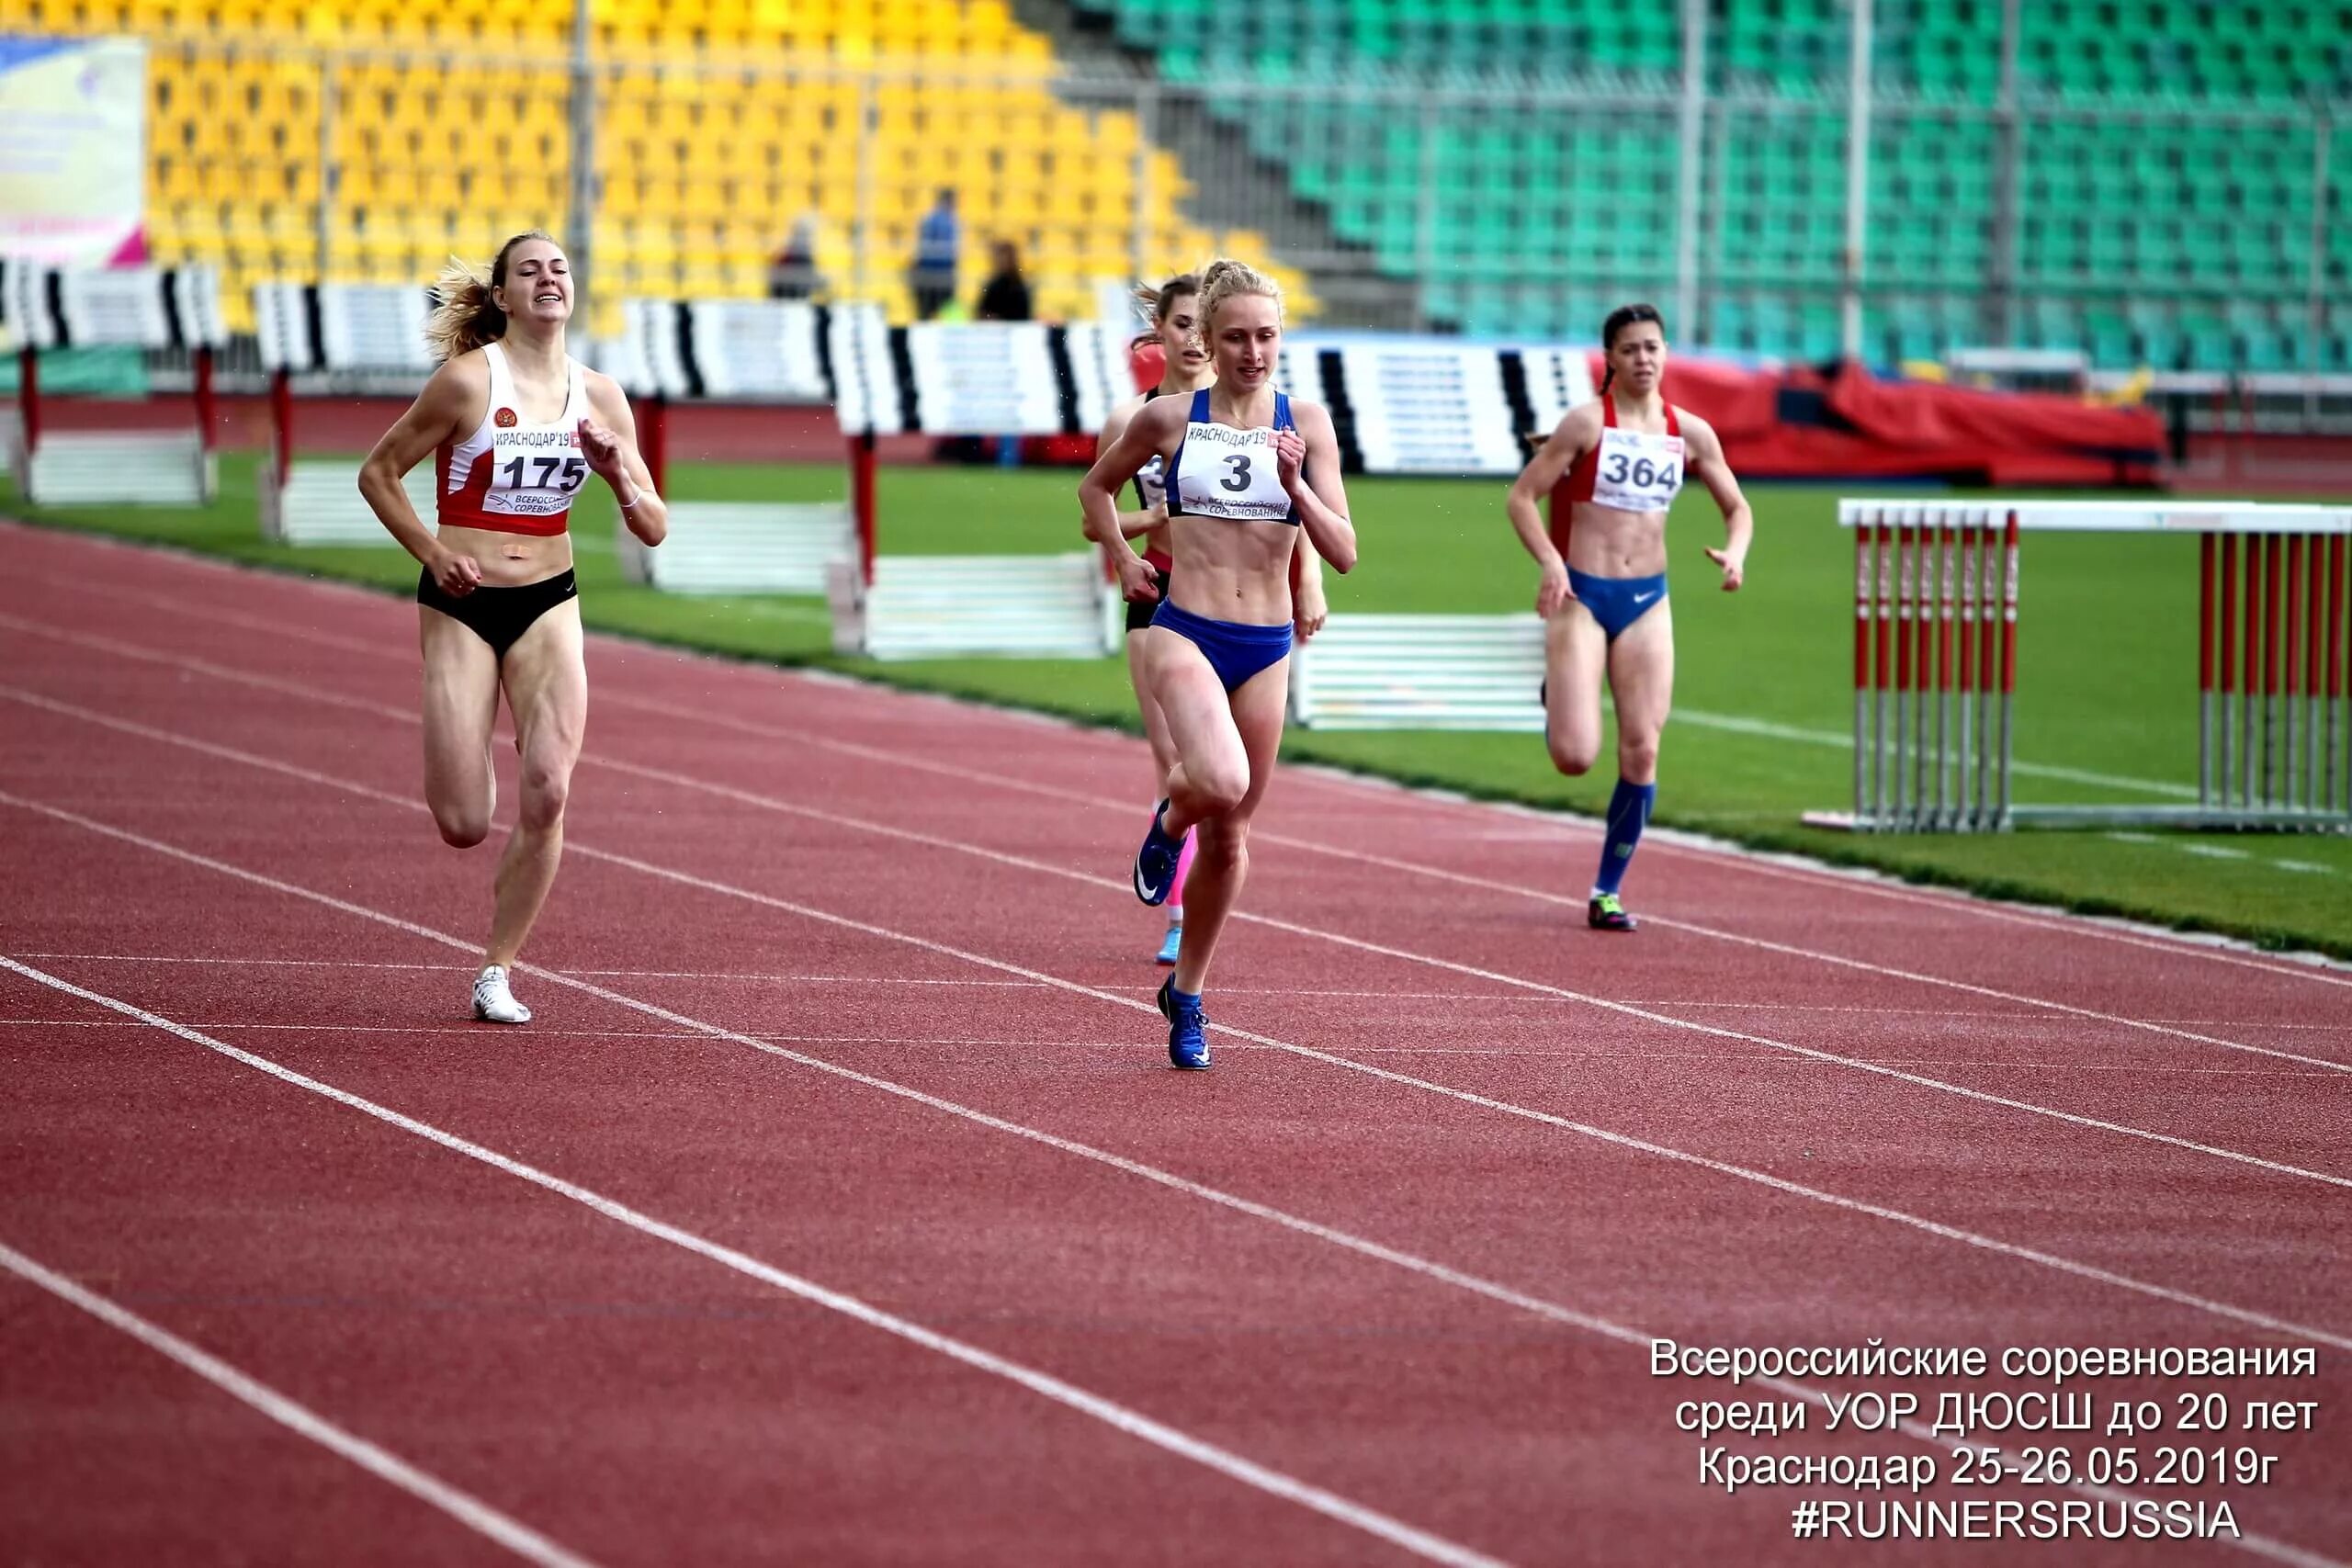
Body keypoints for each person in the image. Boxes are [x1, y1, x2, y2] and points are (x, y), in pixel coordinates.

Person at [356, 231, 668, 1022]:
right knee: (464, 821)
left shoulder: (601, 396)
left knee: (551, 788)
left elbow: (656, 526)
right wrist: (431, 551)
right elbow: (379, 472)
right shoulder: (464, 384)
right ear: (502, 298)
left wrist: (614, 473)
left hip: (549, 600)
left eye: (559, 268)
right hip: (463, 603)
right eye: (529, 270)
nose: (548, 279)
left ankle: (497, 968)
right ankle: (471, 744)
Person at [1079, 258, 1353, 1069]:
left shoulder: (1306, 421)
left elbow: (1344, 551)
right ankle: (1168, 822)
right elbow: (1095, 492)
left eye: (1267, 335)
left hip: (1266, 646)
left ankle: (1188, 995)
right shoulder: (1169, 419)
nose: (1253, 351)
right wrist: (1129, 563)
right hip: (1185, 627)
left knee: (1232, 839)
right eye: (1236, 336)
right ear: (1207, 338)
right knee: (1220, 782)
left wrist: (1297, 485)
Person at [1503, 302, 1750, 932]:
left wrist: (1736, 552)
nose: (1644, 358)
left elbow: (1738, 508)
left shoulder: (1689, 432)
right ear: (1611, 358)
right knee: (1575, 756)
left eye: (1653, 347)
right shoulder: (1586, 424)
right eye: (1632, 348)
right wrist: (1552, 563)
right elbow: (1523, 498)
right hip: (1583, 595)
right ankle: (1559, 690)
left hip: (1647, 601)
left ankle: (1606, 890)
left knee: (1642, 750)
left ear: (1666, 354)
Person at [910, 188, 959, 321]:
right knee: (943, 309)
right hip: (939, 272)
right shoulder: (947, 221)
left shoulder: (931, 219)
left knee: (927, 311)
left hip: (932, 272)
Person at [974, 239, 1032, 323]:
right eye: (999, 257)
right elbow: (981, 313)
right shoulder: (993, 284)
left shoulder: (1018, 286)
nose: (1001, 261)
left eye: (1005, 257)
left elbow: (1022, 316)